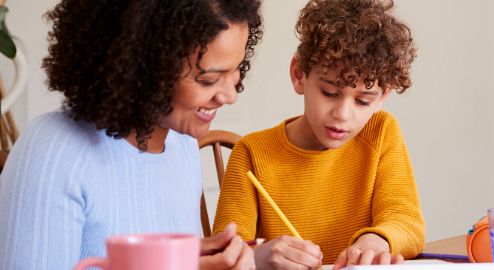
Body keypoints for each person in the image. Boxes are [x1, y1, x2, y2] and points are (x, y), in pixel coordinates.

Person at [0, 0, 263, 269]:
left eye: (236, 70)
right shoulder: (53, 152)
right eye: (208, 80)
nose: (231, 95)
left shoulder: (181, 144)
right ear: (144, 66)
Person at [211, 0, 424, 269]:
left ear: (383, 96)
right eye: (330, 93)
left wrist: (376, 240)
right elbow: (224, 251)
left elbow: (407, 221)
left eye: (363, 101)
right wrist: (258, 256)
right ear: (299, 76)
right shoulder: (252, 152)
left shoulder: (381, 131)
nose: (343, 115)